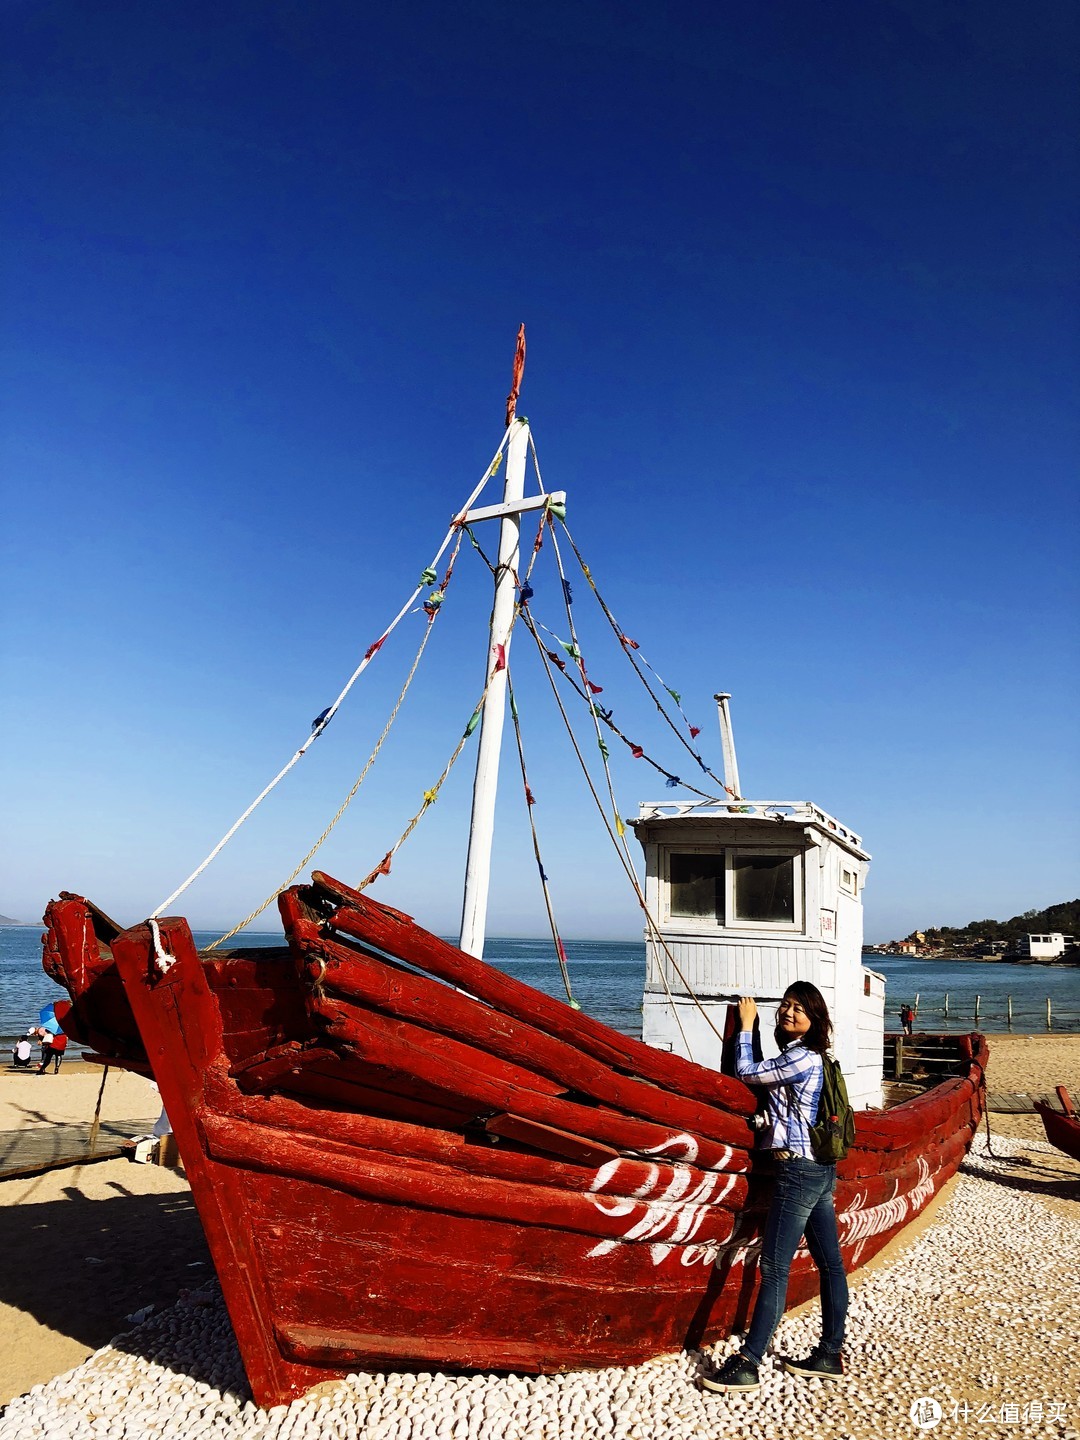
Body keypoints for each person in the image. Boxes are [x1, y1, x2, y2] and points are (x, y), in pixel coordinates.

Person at [701, 983, 849, 1394]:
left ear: (814, 1019)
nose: (788, 1012)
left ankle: (749, 1363)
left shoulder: (801, 1058)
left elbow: (746, 1073)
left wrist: (746, 1027)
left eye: (799, 1008)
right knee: (830, 1263)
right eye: (786, 1005)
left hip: (797, 1172)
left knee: (774, 1267)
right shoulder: (814, 1056)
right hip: (820, 1170)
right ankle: (830, 1354)